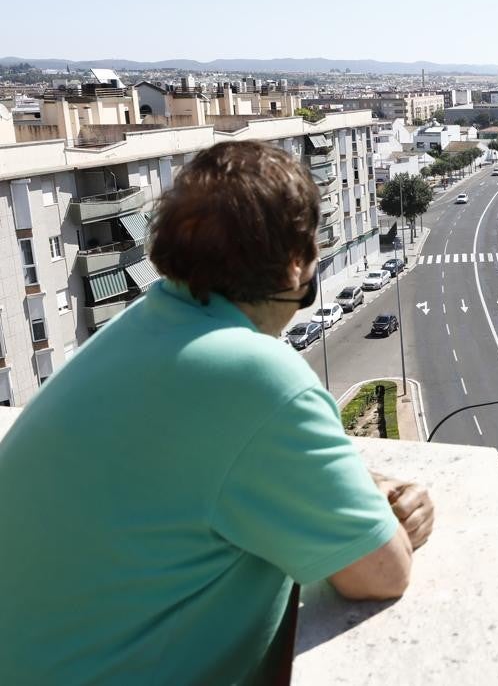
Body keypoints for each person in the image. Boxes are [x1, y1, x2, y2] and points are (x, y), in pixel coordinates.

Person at [0, 140, 434, 684]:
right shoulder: (257, 376)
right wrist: (379, 508)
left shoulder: (141, 327)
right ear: (295, 264)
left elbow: (206, 464)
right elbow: (382, 572)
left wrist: (352, 483)